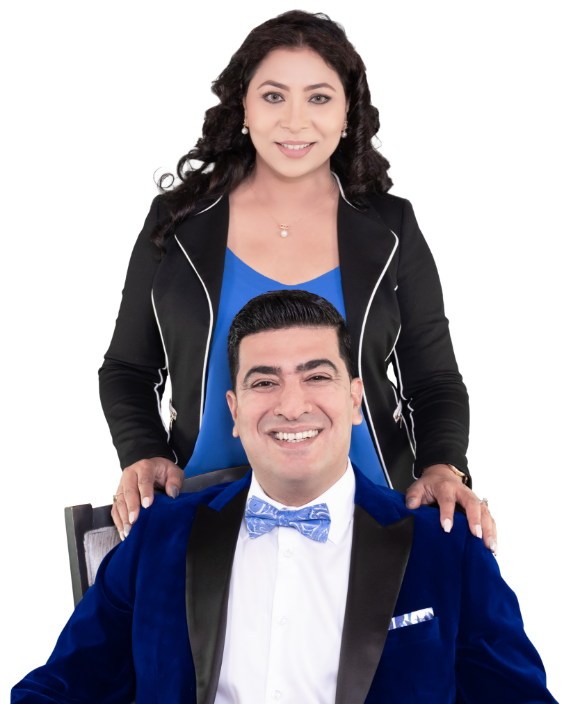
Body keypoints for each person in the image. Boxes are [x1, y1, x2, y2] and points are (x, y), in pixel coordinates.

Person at [13, 291, 552, 703]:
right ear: (234, 410)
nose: (292, 407)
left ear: (355, 400)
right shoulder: (158, 536)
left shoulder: (449, 545)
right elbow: (61, 687)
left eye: (316, 376)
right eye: (264, 382)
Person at [99, 9, 497, 554]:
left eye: (318, 97)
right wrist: (143, 453)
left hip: (372, 519)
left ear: (347, 112)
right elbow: (126, 368)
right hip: (205, 520)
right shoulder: (178, 222)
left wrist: (443, 466)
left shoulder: (392, 228)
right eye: (273, 96)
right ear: (243, 106)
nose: (294, 121)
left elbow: (434, 380)